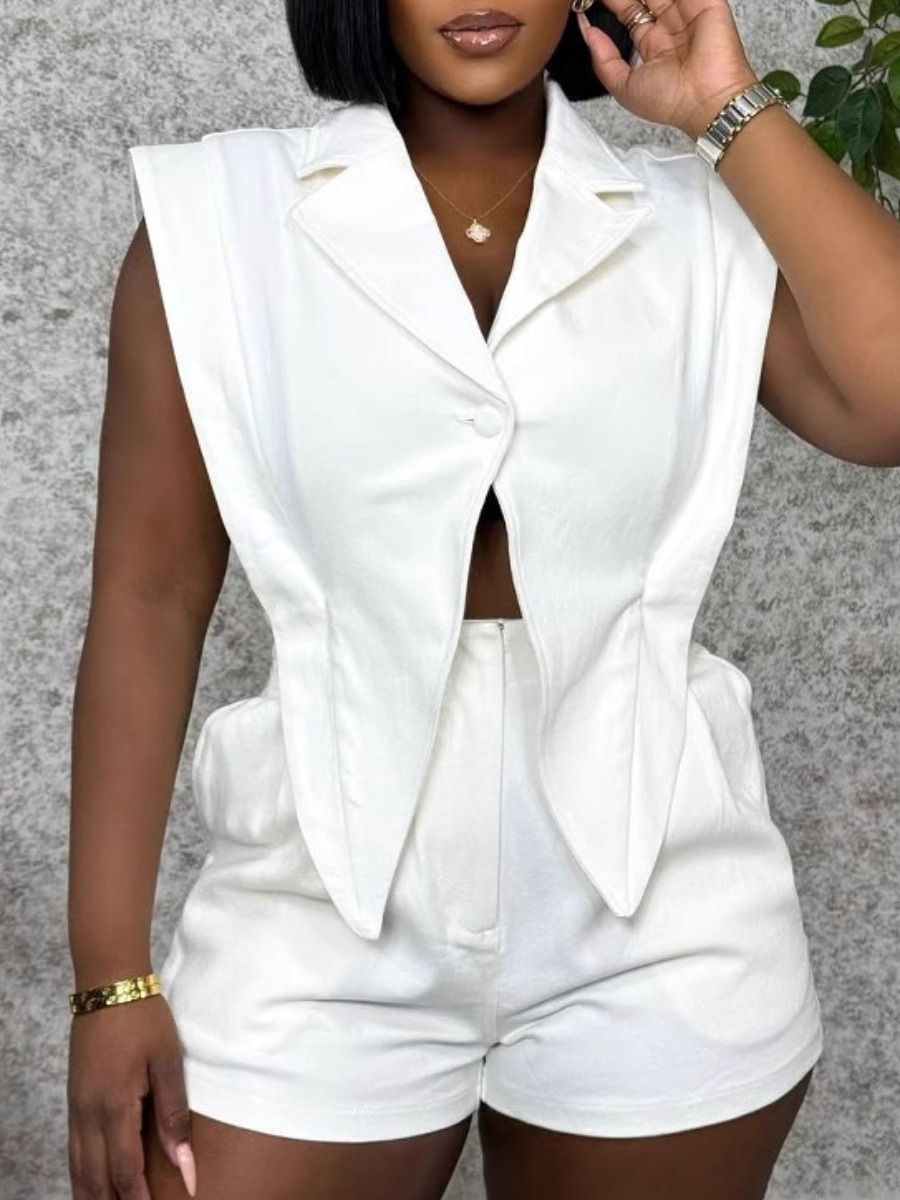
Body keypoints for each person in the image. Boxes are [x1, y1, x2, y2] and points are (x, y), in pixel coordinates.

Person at [66, 0, 900, 1197]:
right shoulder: (217, 220)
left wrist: (725, 105)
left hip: (665, 922)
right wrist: (110, 976)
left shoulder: (701, 221)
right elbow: (148, 596)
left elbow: (889, 403)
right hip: (317, 910)